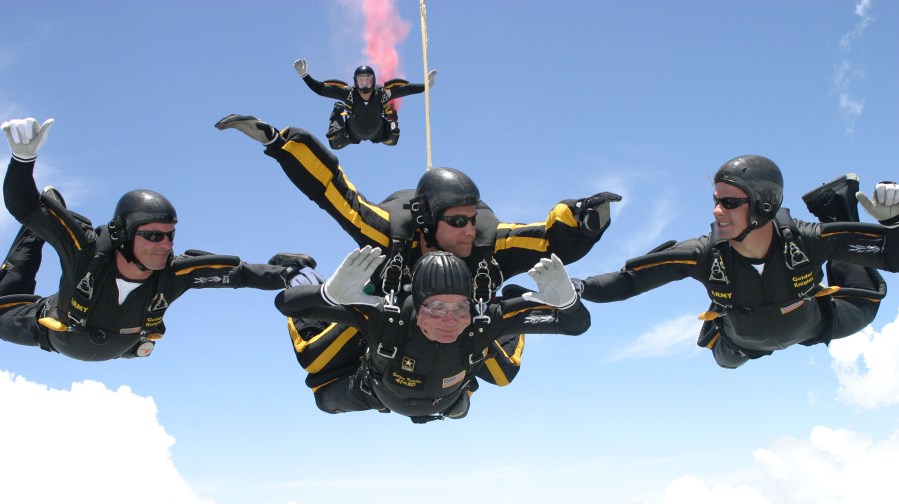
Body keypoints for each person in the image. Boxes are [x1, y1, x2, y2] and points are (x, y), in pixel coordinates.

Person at [215, 114, 619, 412]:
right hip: (378, 317)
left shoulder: (488, 243)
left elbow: (546, 238)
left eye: (472, 220)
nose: (468, 231)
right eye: (456, 221)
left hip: (455, 330)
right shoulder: (390, 233)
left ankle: (496, 319)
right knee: (316, 361)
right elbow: (336, 194)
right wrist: (282, 142)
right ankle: (300, 272)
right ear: (426, 221)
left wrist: (582, 220)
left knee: (500, 376)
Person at [0, 117, 314, 361]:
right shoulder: (86, 252)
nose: (165, 245)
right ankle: (51, 206)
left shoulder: (174, 274)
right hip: (49, 330)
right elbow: (23, 206)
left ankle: (51, 212)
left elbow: (240, 274)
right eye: (153, 236)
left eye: (170, 236)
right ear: (122, 235)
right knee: (13, 282)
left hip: (113, 346)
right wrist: (22, 161)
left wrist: (289, 275)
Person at [575, 154, 899, 368]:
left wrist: (894, 223)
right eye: (716, 201)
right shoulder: (703, 254)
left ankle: (836, 204)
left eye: (729, 202)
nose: (717, 211)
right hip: (738, 344)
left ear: (764, 204)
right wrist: (578, 288)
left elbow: (888, 253)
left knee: (864, 304)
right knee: (725, 362)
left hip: (816, 324)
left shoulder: (804, 241)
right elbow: (632, 279)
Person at [275, 246, 590, 422]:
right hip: (374, 390)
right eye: (435, 308)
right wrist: (330, 293)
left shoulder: (481, 319)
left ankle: (457, 399)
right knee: (318, 380)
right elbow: (288, 304)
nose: (449, 321)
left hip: (437, 396)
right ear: (415, 306)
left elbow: (575, 325)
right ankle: (302, 274)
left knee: (498, 378)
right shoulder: (388, 316)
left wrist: (567, 303)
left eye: (460, 308)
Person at [293, 59, 437, 149]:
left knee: (393, 140)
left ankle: (391, 119)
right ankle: (338, 112)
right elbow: (321, 89)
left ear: (373, 80)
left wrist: (426, 86)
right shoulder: (348, 93)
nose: (364, 83)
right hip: (351, 134)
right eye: (361, 80)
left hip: (379, 132)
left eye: (367, 80)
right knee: (334, 144)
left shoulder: (381, 93)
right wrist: (305, 76)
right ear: (356, 81)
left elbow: (407, 89)